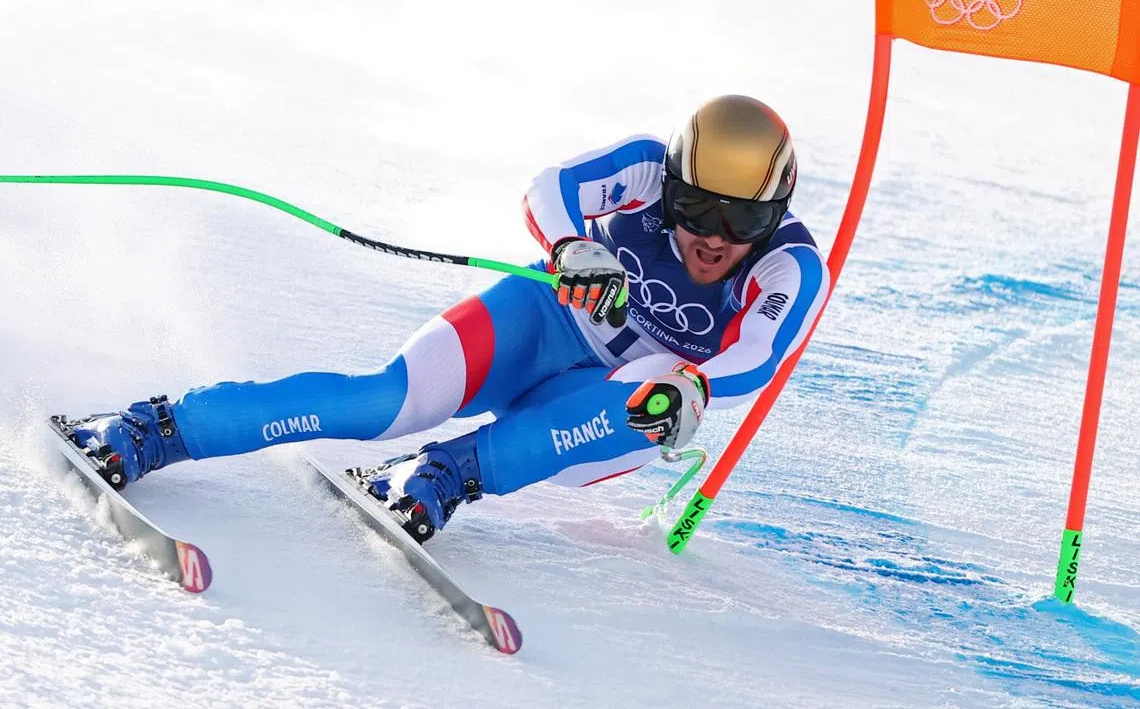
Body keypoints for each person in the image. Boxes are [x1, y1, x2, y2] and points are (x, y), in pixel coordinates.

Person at [68, 94, 829, 542]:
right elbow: (549, 189)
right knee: (384, 401)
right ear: (673, 181)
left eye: (743, 220)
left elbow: (757, 359)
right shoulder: (643, 170)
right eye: (695, 207)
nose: (714, 237)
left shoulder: (789, 268)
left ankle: (446, 474)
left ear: (777, 214)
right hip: (543, 323)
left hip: (618, 397)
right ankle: (156, 428)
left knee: (660, 394)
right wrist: (570, 247)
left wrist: (694, 389)